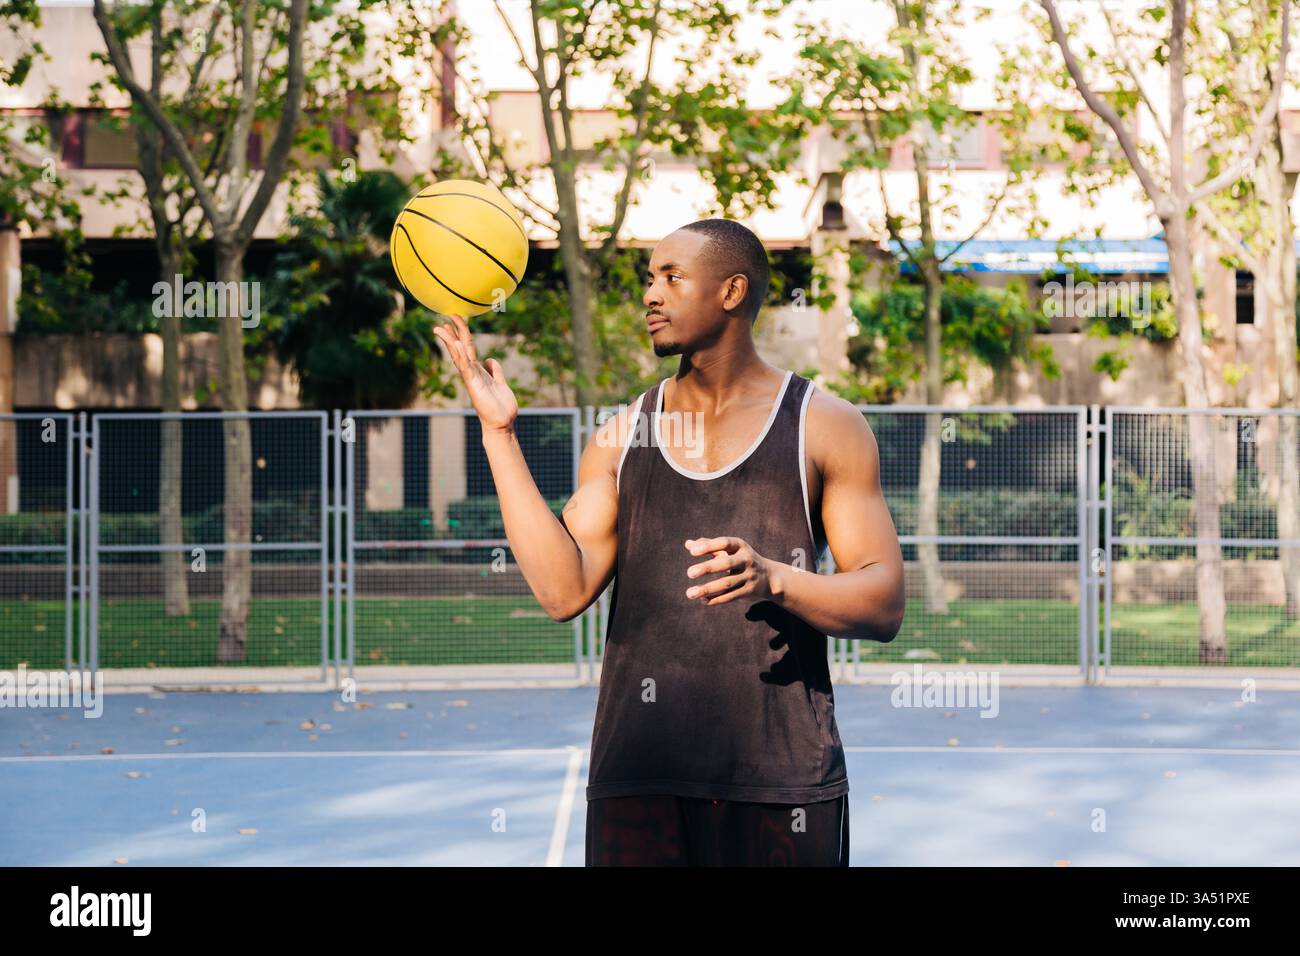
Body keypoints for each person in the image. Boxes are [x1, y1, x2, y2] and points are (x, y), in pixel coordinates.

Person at [433, 218, 905, 866]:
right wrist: (498, 436)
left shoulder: (824, 425)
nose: (650, 294)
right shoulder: (621, 436)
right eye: (649, 278)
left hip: (782, 780)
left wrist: (777, 580)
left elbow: (884, 603)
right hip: (642, 777)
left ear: (733, 291)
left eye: (671, 277)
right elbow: (562, 590)